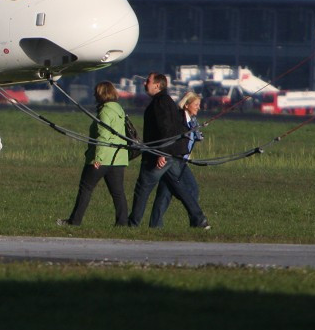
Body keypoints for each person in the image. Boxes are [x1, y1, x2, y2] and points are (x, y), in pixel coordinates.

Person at [128, 73, 211, 229]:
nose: (145, 83)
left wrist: (162, 153)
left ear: (157, 85)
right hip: (173, 153)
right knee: (176, 186)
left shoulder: (160, 103)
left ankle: (133, 224)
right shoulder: (167, 102)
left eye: (148, 81)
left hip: (161, 154)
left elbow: (165, 129)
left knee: (143, 186)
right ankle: (198, 219)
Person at [58, 81, 129, 226]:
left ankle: (75, 221)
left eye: (96, 93)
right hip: (118, 158)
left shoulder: (105, 111)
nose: (94, 95)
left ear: (102, 94)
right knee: (118, 193)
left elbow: (103, 136)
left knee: (86, 188)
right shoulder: (119, 109)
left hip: (103, 158)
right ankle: (122, 223)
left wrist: (98, 158)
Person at [149, 91, 208, 228]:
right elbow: (169, 136)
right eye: (196, 104)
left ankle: (155, 226)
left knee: (165, 193)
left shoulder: (192, 121)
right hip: (174, 159)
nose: (198, 107)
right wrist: (162, 153)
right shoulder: (178, 118)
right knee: (189, 188)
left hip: (182, 160)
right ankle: (197, 219)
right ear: (187, 105)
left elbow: (195, 136)